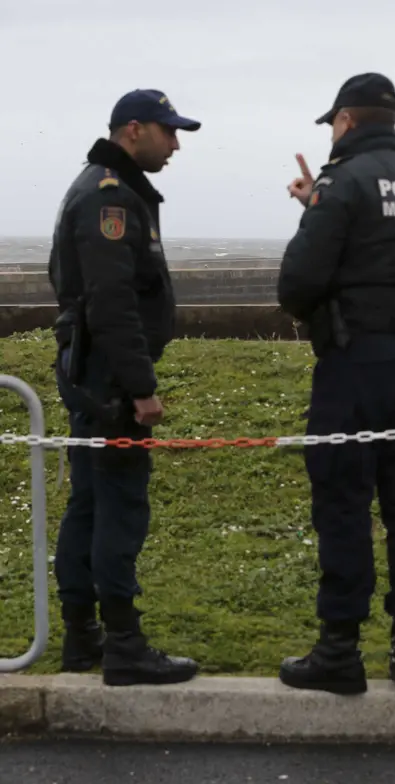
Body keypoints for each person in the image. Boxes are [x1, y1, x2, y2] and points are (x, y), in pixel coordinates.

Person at [276, 72, 395, 697]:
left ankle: (339, 651)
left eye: (332, 125)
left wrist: (314, 211)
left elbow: (296, 284)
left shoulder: (340, 181)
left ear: (345, 121)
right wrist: (315, 206)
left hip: (355, 363)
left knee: (343, 501)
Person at [47, 89, 202, 686]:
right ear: (133, 130)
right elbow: (112, 303)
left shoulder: (106, 187)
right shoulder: (110, 196)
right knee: (118, 506)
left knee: (87, 503)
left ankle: (82, 635)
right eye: (169, 131)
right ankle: (124, 645)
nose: (177, 144)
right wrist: (140, 388)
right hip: (108, 381)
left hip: (92, 373)